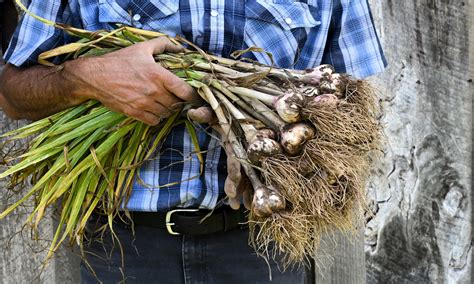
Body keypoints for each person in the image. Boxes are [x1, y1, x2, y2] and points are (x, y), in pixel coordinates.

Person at [0, 1, 386, 283]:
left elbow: (352, 108)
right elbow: (12, 93)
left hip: (264, 245)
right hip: (125, 250)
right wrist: (84, 78)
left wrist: (288, 168)